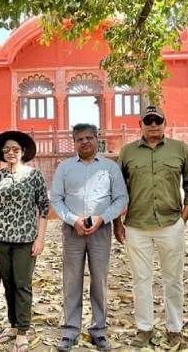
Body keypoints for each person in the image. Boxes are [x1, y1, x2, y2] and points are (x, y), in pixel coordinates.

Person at [113, 105, 188, 349]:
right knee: (141, 280)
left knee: (173, 279)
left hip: (171, 223)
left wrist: (184, 218)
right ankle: (144, 328)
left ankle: (174, 328)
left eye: (157, 120)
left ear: (165, 123)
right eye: (148, 121)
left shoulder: (179, 149)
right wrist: (116, 225)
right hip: (136, 226)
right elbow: (118, 191)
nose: (153, 125)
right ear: (140, 124)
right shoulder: (128, 152)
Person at [50, 124, 129, 351]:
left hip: (100, 230)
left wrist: (101, 219)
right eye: (80, 139)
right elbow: (56, 199)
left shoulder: (110, 167)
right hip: (72, 230)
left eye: (89, 138)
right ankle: (70, 331)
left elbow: (121, 199)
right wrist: (72, 219)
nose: (85, 142)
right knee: (71, 280)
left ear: (97, 139)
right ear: (74, 142)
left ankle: (99, 329)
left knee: (100, 280)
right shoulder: (64, 167)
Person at [0, 131, 50, 352]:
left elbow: (44, 209)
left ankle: (23, 331)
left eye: (15, 150)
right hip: (0, 239)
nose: (11, 153)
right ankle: (12, 325)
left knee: (22, 285)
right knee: (8, 284)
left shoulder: (34, 175)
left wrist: (40, 239)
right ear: (2, 153)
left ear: (23, 152)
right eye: (7, 150)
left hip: (26, 240)